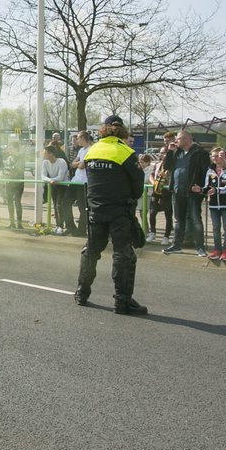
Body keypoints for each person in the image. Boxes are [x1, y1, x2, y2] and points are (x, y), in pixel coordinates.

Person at [76, 115, 148, 315]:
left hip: (96, 210)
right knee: (123, 255)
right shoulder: (126, 152)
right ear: (123, 132)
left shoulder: (92, 151)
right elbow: (138, 187)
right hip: (119, 212)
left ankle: (82, 293)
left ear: (103, 130)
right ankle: (122, 302)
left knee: (91, 251)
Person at [165, 131, 211, 257]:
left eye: (178, 139)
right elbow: (167, 166)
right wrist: (169, 152)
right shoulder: (177, 152)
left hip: (192, 192)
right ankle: (176, 245)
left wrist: (201, 187)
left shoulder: (200, 153)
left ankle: (200, 247)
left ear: (186, 139)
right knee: (178, 220)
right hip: (177, 191)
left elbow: (206, 171)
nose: (175, 141)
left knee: (196, 220)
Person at [204, 148, 226, 261]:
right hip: (213, 204)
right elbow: (206, 186)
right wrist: (201, 189)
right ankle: (217, 249)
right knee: (215, 228)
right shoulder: (210, 171)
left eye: (217, 156)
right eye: (212, 156)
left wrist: (216, 190)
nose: (214, 158)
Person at [41, 144, 70, 234]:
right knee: (55, 205)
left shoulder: (61, 161)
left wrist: (51, 180)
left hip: (63, 186)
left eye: (45, 153)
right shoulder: (45, 162)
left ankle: (62, 226)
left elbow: (60, 177)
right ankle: (58, 225)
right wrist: (50, 180)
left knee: (60, 205)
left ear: (51, 154)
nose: (43, 155)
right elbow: (43, 176)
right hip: (53, 185)